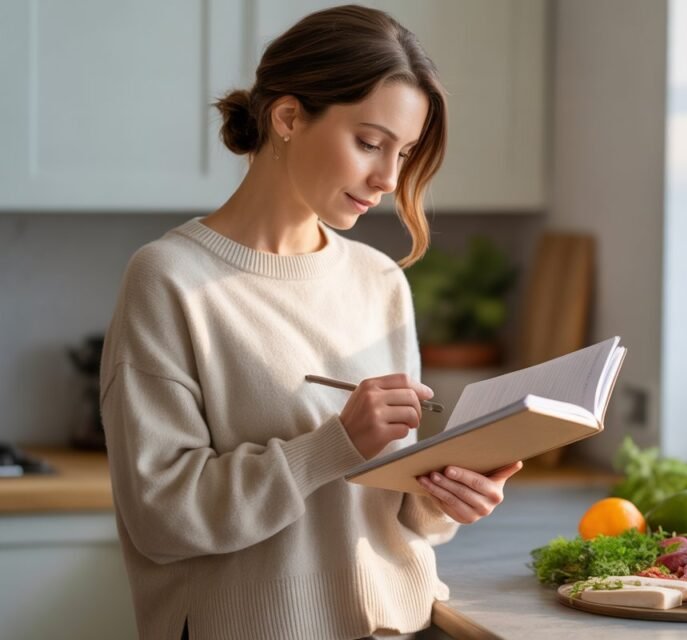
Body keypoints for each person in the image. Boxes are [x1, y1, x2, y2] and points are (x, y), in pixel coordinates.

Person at [98, 6, 522, 639]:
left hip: (398, 626)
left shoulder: (380, 281)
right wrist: (334, 445)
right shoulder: (168, 279)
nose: (388, 179)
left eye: (403, 153)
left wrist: (444, 498)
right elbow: (162, 518)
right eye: (370, 143)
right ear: (289, 117)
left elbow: (392, 509)